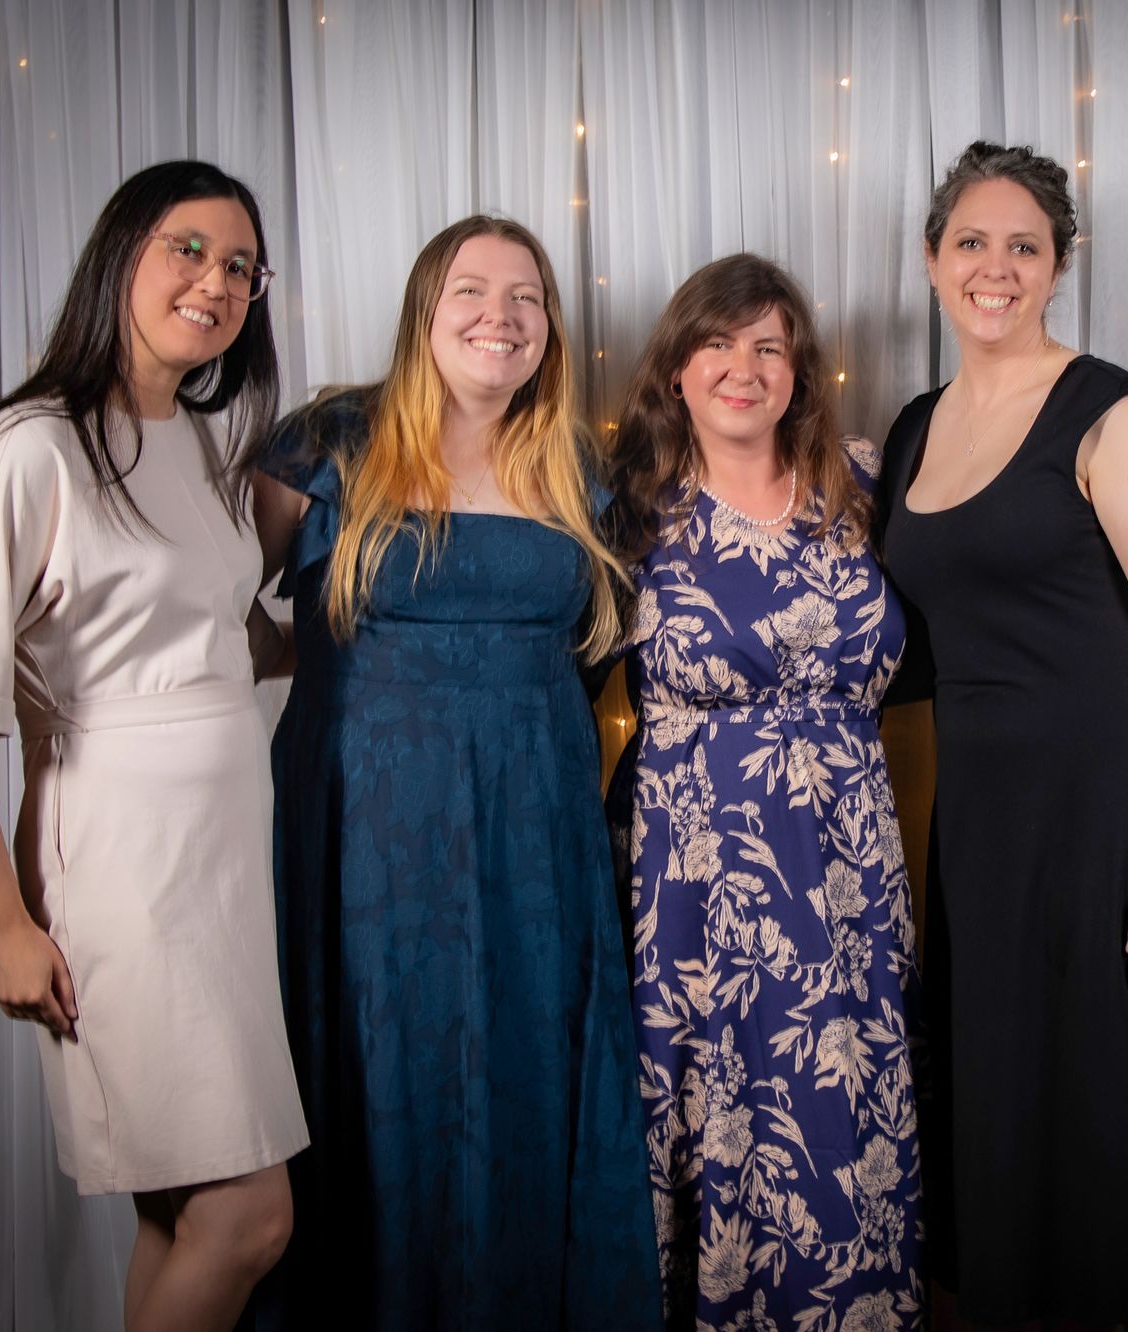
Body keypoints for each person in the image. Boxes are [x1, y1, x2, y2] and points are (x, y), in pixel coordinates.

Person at [875, 141, 1128, 1330]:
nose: (994, 268)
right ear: (932, 259)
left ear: (1059, 265)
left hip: (1124, 833)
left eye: (1024, 246)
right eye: (972, 242)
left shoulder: (1111, 412)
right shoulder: (912, 428)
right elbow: (908, 649)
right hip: (990, 850)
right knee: (1023, 1165)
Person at [0, 160, 307, 1331]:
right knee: (249, 1219)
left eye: (240, 266)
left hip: (223, 870)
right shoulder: (30, 450)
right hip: (121, 869)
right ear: (121, 252)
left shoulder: (198, 443)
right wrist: (4, 927)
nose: (215, 282)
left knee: (178, 1215)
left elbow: (226, 642)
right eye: (187, 249)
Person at [243, 215, 660, 1329]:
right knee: (383, 1087)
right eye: (471, 290)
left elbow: (600, 657)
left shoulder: (580, 468)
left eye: (526, 296)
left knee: (526, 1085)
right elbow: (210, 611)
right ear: (425, 312)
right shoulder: (330, 437)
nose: (500, 314)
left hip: (539, 837)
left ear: (550, 329)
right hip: (365, 834)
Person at [603, 253, 924, 1330]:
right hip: (696, 886)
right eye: (718, 343)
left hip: (848, 870)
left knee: (846, 1127)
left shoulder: (865, 482)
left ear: (799, 370)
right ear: (677, 367)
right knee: (719, 1133)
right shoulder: (630, 509)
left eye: (768, 346)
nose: (743, 367)